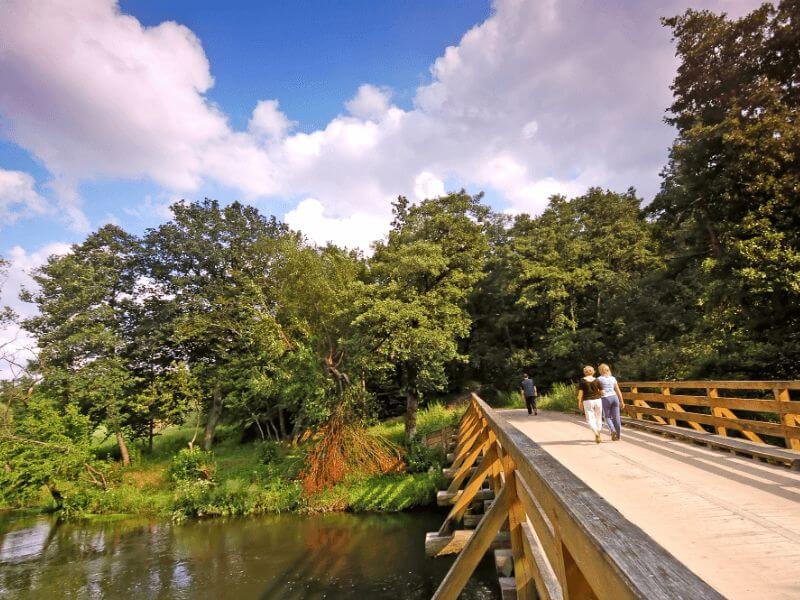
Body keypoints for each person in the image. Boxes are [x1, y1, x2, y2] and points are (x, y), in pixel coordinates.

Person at [597, 363, 625, 441]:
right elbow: (618, 390)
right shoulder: (613, 378)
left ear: (600, 371)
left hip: (606, 398)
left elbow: (597, 391)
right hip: (615, 398)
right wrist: (621, 401)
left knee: (607, 417)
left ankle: (612, 430)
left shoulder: (599, 379)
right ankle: (618, 436)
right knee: (617, 417)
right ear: (608, 370)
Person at [576, 365, 604, 443]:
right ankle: (598, 431)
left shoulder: (582, 381)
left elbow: (580, 393)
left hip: (588, 401)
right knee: (598, 417)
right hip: (598, 400)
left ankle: (595, 432)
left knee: (590, 418)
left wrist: (579, 403)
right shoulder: (597, 380)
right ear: (593, 372)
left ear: (585, 373)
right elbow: (602, 392)